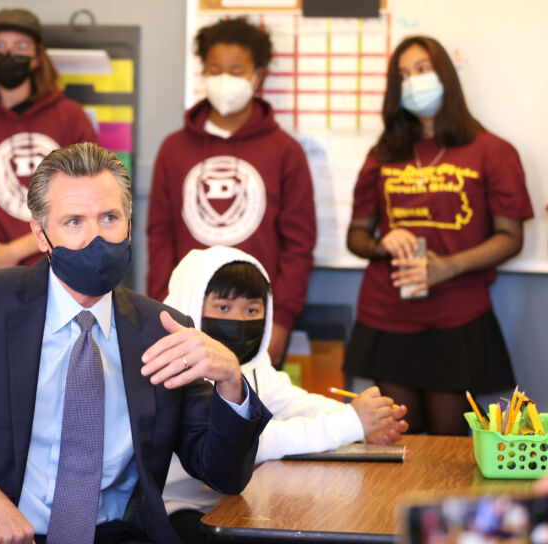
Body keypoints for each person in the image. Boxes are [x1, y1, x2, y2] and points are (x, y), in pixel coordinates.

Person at [0, 142, 272, 544]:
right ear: (40, 234)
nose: (96, 238)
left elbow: (223, 475)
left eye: (108, 218)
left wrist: (231, 382)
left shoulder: (163, 328)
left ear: (129, 222)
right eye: (73, 222)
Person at [343, 36, 533, 436]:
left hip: (457, 316)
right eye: (403, 75)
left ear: (445, 74)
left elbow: (510, 236)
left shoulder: (492, 151)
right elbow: (357, 236)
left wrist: (446, 268)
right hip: (388, 313)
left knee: (450, 446)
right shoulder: (383, 154)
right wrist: (382, 242)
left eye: (422, 69)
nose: (413, 81)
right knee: (400, 441)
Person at [160, 246, 409, 542]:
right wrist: (350, 422)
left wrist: (366, 424)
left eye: (252, 310)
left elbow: (295, 403)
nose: (239, 321)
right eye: (224, 308)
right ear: (191, 302)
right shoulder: (175, 369)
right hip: (179, 509)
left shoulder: (255, 365)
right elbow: (256, 442)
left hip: (240, 502)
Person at [147, 17, 316, 365]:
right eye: (215, 69)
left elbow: (299, 244)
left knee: (253, 414)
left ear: (259, 75)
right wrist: (162, 304)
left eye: (236, 70)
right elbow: (159, 236)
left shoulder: (286, 151)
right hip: (186, 316)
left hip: (256, 320)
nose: (225, 79)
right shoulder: (173, 148)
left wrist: (281, 319)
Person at [0, 8, 98, 270]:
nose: (8, 55)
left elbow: (90, 202)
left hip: (69, 271)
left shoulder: (71, 118)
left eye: (21, 46)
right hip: (1, 280)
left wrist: (12, 252)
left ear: (36, 57)